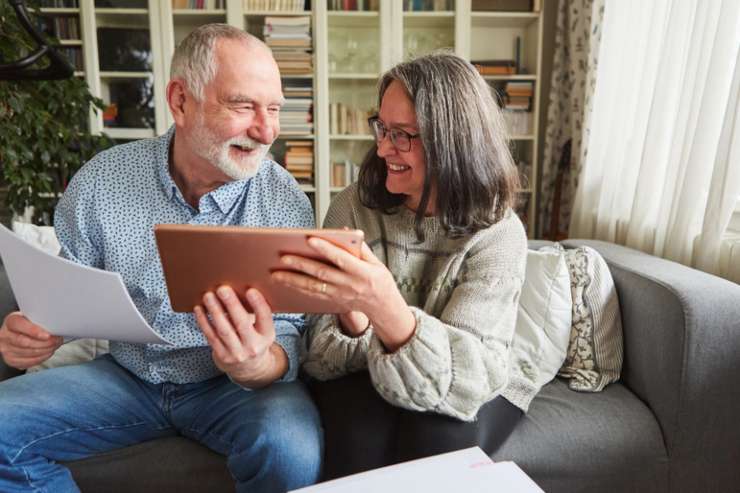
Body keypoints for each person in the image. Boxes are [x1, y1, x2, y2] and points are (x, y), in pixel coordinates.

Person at [0, 24, 321, 493]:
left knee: (290, 452)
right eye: (243, 105)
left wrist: (260, 365)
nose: (266, 130)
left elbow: (294, 329)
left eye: (273, 109)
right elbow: (68, 293)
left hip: (234, 390)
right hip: (129, 379)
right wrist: (32, 331)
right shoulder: (101, 182)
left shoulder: (285, 202)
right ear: (180, 100)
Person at [270, 52, 537, 478]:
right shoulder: (353, 207)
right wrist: (356, 323)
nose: (382, 147)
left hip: (478, 382)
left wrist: (385, 308)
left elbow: (467, 383)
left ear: (452, 141)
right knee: (356, 432)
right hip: (372, 372)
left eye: (402, 135)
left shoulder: (499, 233)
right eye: (381, 127)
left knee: (440, 436)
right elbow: (318, 358)